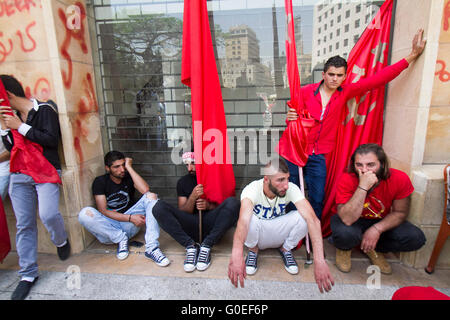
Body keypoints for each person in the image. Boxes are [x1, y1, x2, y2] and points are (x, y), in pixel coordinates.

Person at [286, 29, 427, 220]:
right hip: (296, 151)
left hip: (318, 154)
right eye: (331, 74)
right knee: (292, 195)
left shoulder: (344, 92)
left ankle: (313, 234)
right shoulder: (304, 92)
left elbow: (379, 79)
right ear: (323, 74)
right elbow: (291, 121)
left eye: (339, 75)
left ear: (345, 76)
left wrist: (412, 56)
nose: (334, 79)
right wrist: (290, 115)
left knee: (317, 197)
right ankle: (292, 236)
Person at [0, 75, 71, 300]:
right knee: (24, 225)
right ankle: (28, 274)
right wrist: (6, 130)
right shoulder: (9, 117)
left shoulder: (45, 110)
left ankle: (60, 240)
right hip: (19, 174)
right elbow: (13, 148)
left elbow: (50, 140)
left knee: (49, 214)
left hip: (45, 171)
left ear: (8, 95)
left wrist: (19, 126)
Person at [228, 157, 334, 293]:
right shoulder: (252, 189)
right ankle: (253, 251)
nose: (286, 185)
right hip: (257, 233)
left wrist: (319, 261)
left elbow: (313, 221)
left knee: (304, 217)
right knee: (249, 219)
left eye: (287, 178)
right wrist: (237, 254)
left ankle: (286, 249)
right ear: (266, 179)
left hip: (278, 233)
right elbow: (242, 222)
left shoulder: (290, 188)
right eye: (280, 180)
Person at [331, 143, 426, 274]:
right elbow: (347, 219)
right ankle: (345, 249)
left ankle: (373, 248)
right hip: (352, 219)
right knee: (346, 234)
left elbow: (400, 212)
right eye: (359, 165)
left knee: (415, 237)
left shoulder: (400, 178)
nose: (364, 170)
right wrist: (363, 187)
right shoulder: (347, 179)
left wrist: (377, 229)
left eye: (371, 165)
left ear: (382, 164)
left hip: (379, 220)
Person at [152, 152, 240, 272]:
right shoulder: (182, 182)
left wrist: (209, 205)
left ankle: (206, 246)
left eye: (193, 163)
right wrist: (192, 197)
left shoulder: (214, 179)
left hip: (211, 224)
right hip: (190, 223)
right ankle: (190, 246)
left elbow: (224, 210)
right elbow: (183, 210)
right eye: (187, 165)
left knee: (233, 203)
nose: (190, 168)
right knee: (158, 207)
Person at [78, 150, 169, 266]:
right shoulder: (100, 182)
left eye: (123, 165)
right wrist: (130, 218)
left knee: (151, 197)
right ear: (107, 168)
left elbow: (145, 190)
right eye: (116, 167)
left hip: (130, 226)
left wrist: (129, 168)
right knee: (84, 214)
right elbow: (103, 211)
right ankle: (121, 239)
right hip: (110, 230)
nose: (121, 170)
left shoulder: (128, 176)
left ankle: (151, 248)